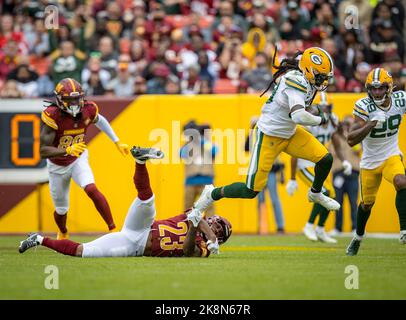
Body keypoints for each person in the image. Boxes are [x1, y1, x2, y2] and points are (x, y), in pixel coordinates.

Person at [191, 47, 341, 216]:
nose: (323, 81)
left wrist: (314, 111)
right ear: (308, 69)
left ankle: (315, 192)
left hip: (290, 133)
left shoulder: (307, 80)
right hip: (269, 136)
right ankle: (212, 193)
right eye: (320, 76)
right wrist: (321, 119)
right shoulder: (295, 80)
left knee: (325, 159)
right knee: (251, 190)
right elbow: (298, 115)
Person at [19, 147, 232, 258]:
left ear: (220, 234)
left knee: (82, 252)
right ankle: (140, 162)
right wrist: (202, 225)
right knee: (147, 199)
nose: (212, 221)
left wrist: (199, 228)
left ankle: (37, 239)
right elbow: (194, 214)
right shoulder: (201, 223)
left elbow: (187, 251)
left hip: (134, 245)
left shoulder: (203, 247)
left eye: (216, 224)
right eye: (213, 221)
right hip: (144, 226)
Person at [40, 78, 130, 239]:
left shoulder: (89, 109)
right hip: (57, 165)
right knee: (61, 209)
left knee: (91, 188)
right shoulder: (53, 115)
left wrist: (116, 141)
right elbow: (43, 151)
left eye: (77, 99)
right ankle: (63, 231)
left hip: (77, 158)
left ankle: (113, 230)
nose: (74, 103)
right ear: (60, 100)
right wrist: (66, 149)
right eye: (69, 100)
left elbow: (100, 120)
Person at [346, 68, 406, 255]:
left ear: (390, 88)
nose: (377, 92)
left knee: (401, 181)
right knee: (367, 204)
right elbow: (351, 139)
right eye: (373, 88)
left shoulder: (400, 99)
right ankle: (358, 237)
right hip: (370, 162)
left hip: (390, 155)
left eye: (381, 88)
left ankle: (404, 230)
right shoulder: (364, 106)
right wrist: (371, 123)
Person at [286, 92, 353, 243]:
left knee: (332, 195)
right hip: (305, 164)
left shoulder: (333, 120)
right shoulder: (307, 124)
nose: (325, 112)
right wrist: (291, 178)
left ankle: (320, 229)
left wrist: (344, 161)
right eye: (322, 108)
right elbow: (294, 151)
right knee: (324, 192)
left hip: (320, 164)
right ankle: (309, 226)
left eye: (328, 108)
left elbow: (335, 140)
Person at [329, 115, 361, 236]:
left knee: (353, 202)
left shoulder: (357, 138)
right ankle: (338, 228)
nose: (347, 126)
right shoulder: (335, 137)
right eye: (345, 124)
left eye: (349, 124)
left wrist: (349, 134)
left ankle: (355, 228)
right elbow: (332, 153)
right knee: (337, 202)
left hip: (353, 173)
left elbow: (358, 150)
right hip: (339, 173)